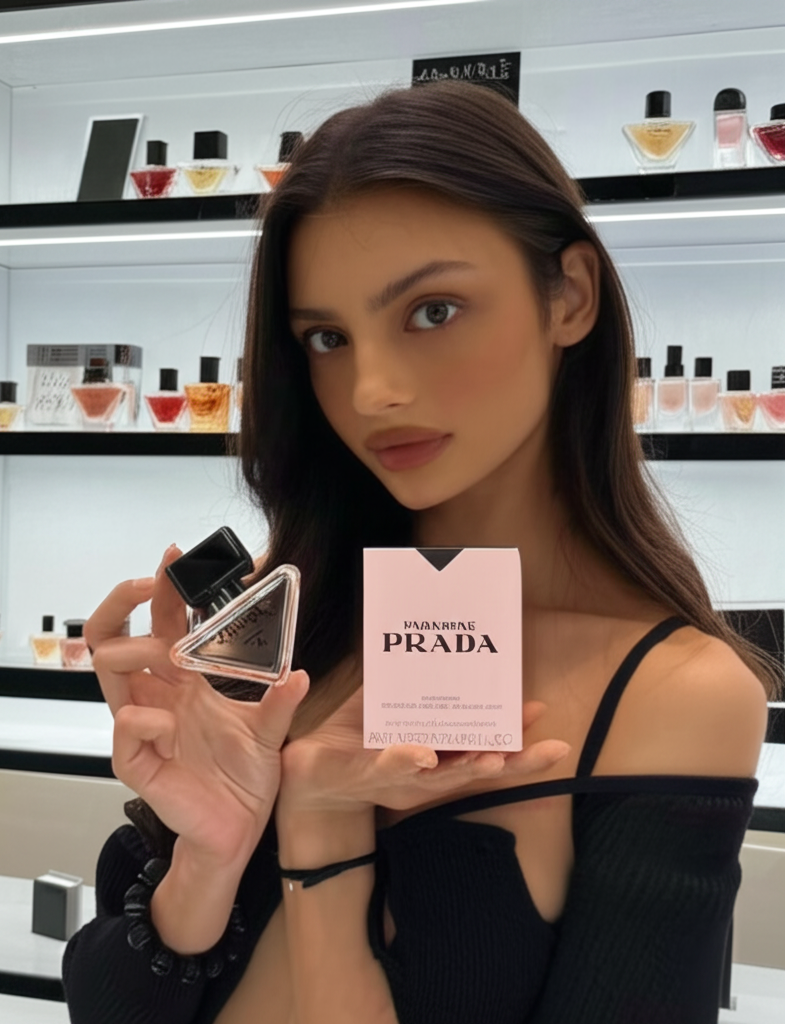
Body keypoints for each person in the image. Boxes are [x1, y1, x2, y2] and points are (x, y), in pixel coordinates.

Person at [62, 80, 780, 1024]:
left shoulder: (676, 694)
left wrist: (321, 827)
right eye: (327, 337)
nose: (371, 390)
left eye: (433, 311)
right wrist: (209, 856)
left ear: (569, 296)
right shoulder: (278, 629)